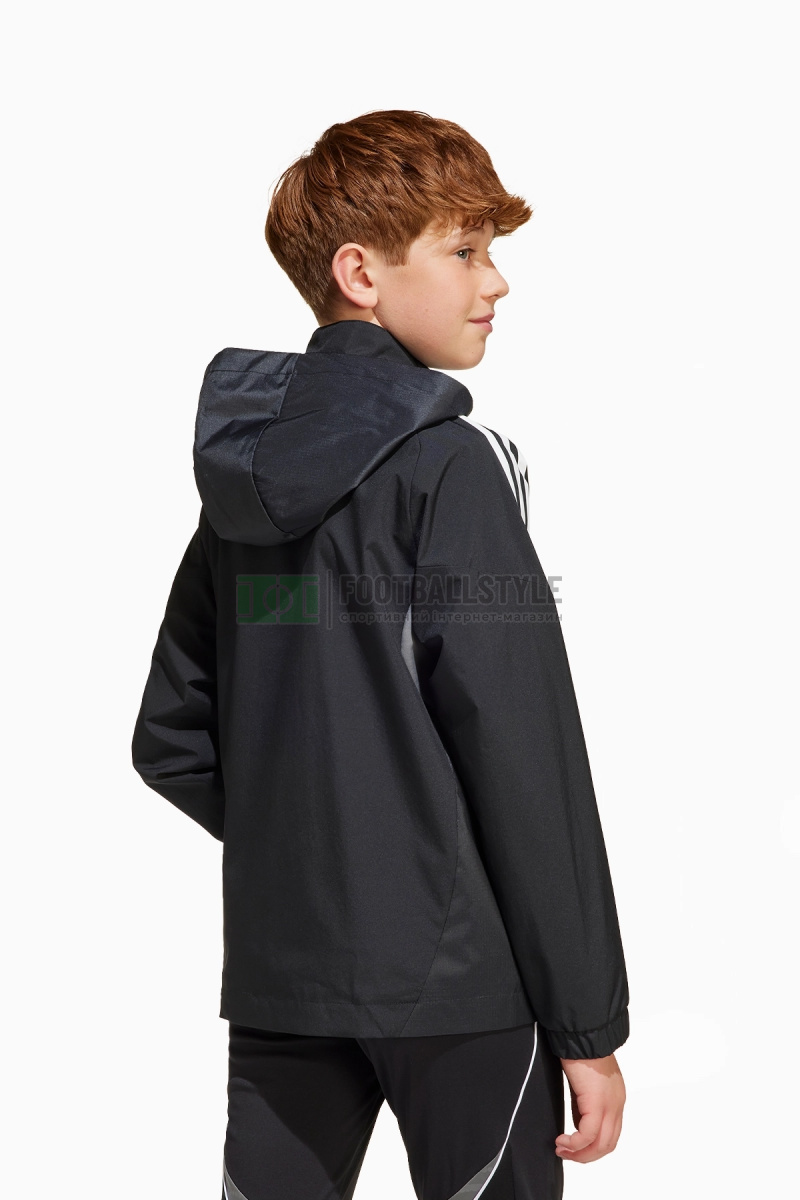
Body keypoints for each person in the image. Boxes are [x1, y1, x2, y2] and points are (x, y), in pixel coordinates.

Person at [131, 109, 630, 1200]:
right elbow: (523, 754)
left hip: (282, 977)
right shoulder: (450, 465)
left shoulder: (239, 484)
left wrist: (313, 853)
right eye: (465, 251)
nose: (495, 282)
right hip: (459, 987)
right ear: (360, 273)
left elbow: (171, 735)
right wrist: (588, 1026)